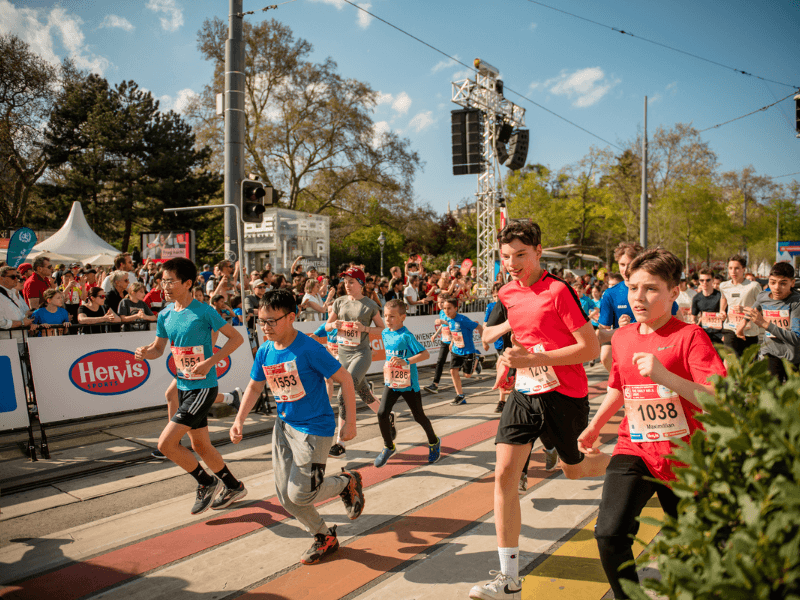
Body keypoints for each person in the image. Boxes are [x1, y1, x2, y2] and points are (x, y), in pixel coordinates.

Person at [577, 248, 726, 600]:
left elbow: (717, 398)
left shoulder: (691, 337)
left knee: (706, 548)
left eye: (651, 289)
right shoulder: (624, 336)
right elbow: (620, 386)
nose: (638, 298)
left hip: (688, 457)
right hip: (636, 448)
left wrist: (664, 375)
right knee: (609, 533)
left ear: (674, 292)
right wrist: (595, 425)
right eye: (633, 288)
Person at [472, 220, 605, 600]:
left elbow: (590, 348)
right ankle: (509, 578)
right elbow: (515, 336)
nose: (513, 263)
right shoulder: (507, 293)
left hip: (565, 393)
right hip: (525, 392)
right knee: (504, 477)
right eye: (506, 257)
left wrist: (534, 357)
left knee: (574, 470)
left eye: (521, 255)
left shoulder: (558, 291)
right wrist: (509, 361)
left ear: (538, 252)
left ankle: (630, 463)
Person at [229, 289, 365, 564]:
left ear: (291, 317)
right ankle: (324, 536)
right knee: (286, 498)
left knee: (301, 493)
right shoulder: (265, 350)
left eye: (271, 321)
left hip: (314, 430)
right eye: (261, 321)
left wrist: (350, 422)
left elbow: (346, 380)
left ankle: (346, 483)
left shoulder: (310, 348)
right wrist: (239, 419)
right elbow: (255, 387)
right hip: (284, 427)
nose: (265, 327)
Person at [133, 258, 246, 513]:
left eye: (170, 281)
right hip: (184, 386)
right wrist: (145, 352)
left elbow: (236, 338)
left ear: (187, 283)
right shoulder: (165, 314)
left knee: (166, 445)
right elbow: (158, 350)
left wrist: (210, 361)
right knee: (200, 445)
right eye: (163, 281)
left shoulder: (204, 311)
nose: (165, 286)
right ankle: (233, 485)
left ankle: (206, 483)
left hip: (204, 386)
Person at [325, 267, 388, 457]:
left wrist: (365, 328)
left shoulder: (369, 305)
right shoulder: (339, 302)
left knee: (343, 393)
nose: (347, 285)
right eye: (345, 282)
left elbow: (383, 329)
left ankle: (340, 443)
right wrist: (333, 325)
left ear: (360, 284)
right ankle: (387, 416)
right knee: (364, 393)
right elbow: (327, 325)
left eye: (351, 282)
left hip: (361, 354)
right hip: (343, 354)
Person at [374, 299, 440, 467]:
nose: (388, 320)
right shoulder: (385, 333)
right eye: (386, 316)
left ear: (403, 317)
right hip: (392, 382)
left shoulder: (406, 335)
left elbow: (425, 355)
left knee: (418, 416)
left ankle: (433, 442)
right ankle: (389, 446)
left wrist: (405, 361)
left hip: (409, 384)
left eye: (392, 317)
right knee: (382, 413)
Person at [738, 261, 800, 383]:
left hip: (792, 357)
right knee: (771, 393)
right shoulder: (763, 296)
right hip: (770, 352)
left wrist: (765, 324)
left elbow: (796, 338)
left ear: (792, 283)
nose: (777, 287)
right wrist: (743, 323)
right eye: (772, 282)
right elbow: (754, 309)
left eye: (783, 283)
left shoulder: (796, 303)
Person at [719, 254, 762, 357]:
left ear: (744, 269)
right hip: (730, 327)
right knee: (731, 357)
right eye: (730, 268)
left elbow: (761, 304)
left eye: (737, 268)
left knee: (748, 364)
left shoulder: (753, 286)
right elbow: (723, 297)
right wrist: (722, 310)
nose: (733, 272)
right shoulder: (724, 286)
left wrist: (744, 309)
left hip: (749, 329)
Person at [443, 297, 483, 406]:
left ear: (456, 308)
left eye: (449, 308)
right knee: (452, 371)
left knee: (467, 376)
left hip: (468, 351)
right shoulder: (449, 320)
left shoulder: (463, 320)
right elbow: (454, 332)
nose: (446, 311)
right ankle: (460, 396)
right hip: (456, 350)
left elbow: (479, 327)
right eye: (444, 308)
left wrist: (484, 342)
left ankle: (477, 358)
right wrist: (452, 342)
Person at [424, 296, 452, 394]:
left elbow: (452, 323)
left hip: (454, 341)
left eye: (442, 302)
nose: (439, 304)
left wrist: (443, 322)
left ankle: (476, 359)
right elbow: (442, 324)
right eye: (438, 302)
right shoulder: (441, 312)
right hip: (445, 340)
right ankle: (435, 385)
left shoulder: (451, 312)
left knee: (459, 362)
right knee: (440, 362)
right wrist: (435, 335)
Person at [691, 267, 726, 346]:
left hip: (719, 335)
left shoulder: (720, 296)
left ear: (713, 280)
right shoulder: (696, 298)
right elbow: (693, 319)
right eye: (702, 280)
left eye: (708, 280)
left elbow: (726, 315)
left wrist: (723, 316)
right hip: (704, 335)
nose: (704, 283)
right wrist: (696, 323)